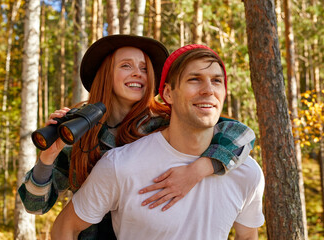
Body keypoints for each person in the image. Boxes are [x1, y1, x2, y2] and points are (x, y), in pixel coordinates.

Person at [19, 36, 256, 239]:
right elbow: (35, 205)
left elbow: (241, 134)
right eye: (126, 66)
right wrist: (48, 157)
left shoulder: (165, 120)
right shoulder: (81, 131)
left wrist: (198, 170)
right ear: (105, 74)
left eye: (144, 68)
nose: (137, 73)